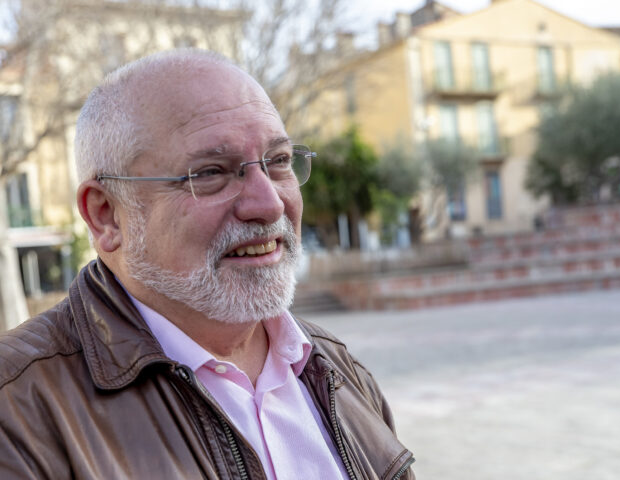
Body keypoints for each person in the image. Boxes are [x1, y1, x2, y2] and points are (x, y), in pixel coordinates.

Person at [0, 49, 414, 479]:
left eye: (279, 162)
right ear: (106, 214)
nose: (268, 204)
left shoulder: (336, 370)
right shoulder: (18, 410)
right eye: (211, 172)